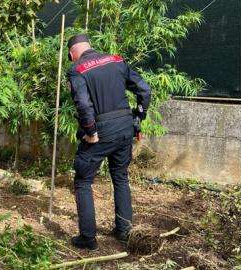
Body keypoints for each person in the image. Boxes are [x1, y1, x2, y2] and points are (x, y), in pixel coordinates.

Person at [66, 34, 151, 250]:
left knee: (83, 180)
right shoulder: (116, 60)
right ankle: (124, 231)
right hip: (125, 127)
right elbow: (144, 89)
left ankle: (88, 238)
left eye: (70, 57)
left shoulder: (77, 70)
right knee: (120, 177)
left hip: (101, 130)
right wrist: (138, 118)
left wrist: (91, 132)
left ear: (72, 52)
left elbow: (83, 105)